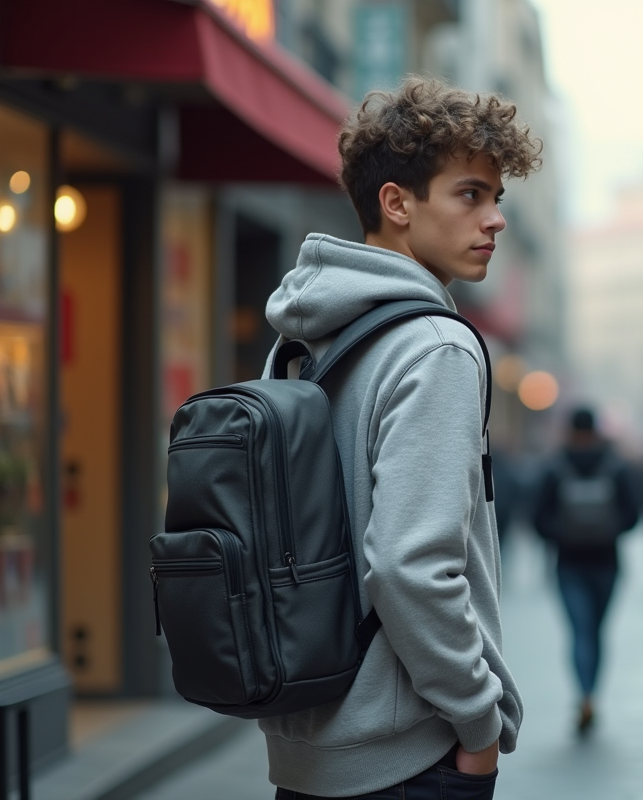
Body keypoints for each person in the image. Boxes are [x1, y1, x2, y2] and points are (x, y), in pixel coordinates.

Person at [258, 77, 540, 799]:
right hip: (404, 756)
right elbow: (410, 565)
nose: (495, 220)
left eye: (497, 199)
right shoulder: (435, 346)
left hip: (305, 740)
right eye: (470, 194)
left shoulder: (311, 330)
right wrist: (478, 726)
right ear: (396, 203)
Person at [533, 408, 639, 735]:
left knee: (579, 632)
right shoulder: (616, 466)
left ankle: (583, 694)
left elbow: (537, 517)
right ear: (596, 431)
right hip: (607, 563)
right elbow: (634, 513)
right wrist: (608, 531)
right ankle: (592, 694)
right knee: (596, 631)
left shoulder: (555, 466)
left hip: (569, 563)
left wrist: (563, 534)